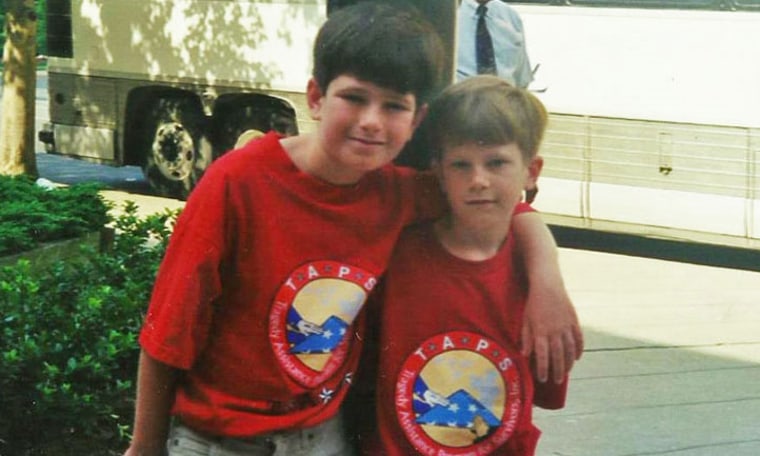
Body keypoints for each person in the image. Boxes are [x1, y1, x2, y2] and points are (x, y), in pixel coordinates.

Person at [123, 3, 580, 455]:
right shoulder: (237, 183)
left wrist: (546, 281)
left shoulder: (399, 194)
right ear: (316, 97)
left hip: (323, 434)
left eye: (393, 106)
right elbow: (168, 332)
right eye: (355, 98)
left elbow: (493, 199)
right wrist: (143, 447)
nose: (371, 122)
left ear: (416, 120)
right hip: (218, 439)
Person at [359, 76, 569, 455]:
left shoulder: (540, 289)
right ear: (438, 172)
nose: (478, 180)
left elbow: (538, 395)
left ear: (531, 171)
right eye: (460, 165)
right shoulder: (399, 256)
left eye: (497, 162)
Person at [457, 0, 534, 88]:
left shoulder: (510, 16)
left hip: (503, 99)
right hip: (457, 99)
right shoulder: (444, 14)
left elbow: (521, 81)